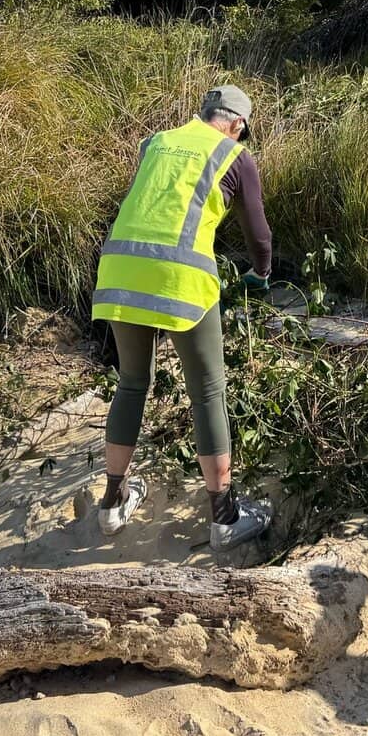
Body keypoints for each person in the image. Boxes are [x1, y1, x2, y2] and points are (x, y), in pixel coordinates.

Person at [92, 84, 274, 551]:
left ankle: (112, 504)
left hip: (120, 269)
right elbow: (258, 234)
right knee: (208, 393)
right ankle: (224, 516)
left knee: (132, 382)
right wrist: (261, 272)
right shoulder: (234, 155)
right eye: (243, 133)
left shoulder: (155, 142)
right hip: (181, 281)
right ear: (236, 124)